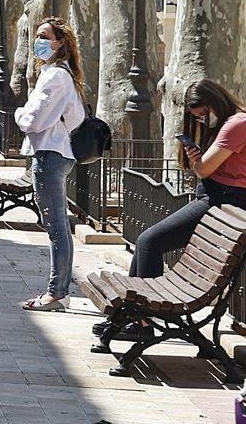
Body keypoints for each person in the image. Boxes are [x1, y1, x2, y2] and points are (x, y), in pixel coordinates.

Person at [93, 79, 246, 340]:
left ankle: (142, 324)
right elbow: (203, 169)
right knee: (146, 241)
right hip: (215, 199)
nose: (201, 121)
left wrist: (199, 161)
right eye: (197, 118)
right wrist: (199, 159)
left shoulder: (236, 125)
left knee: (149, 241)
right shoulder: (226, 124)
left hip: (223, 203)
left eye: (203, 115)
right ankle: (133, 318)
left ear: (215, 102)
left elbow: (204, 170)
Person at [16, 17, 86, 311]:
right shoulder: (59, 75)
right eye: (37, 35)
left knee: (56, 225)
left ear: (60, 43)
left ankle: (57, 293)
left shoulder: (56, 77)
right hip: (54, 153)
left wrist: (20, 113)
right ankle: (59, 290)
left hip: (49, 154)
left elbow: (33, 120)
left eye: (44, 35)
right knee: (57, 224)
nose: (38, 41)